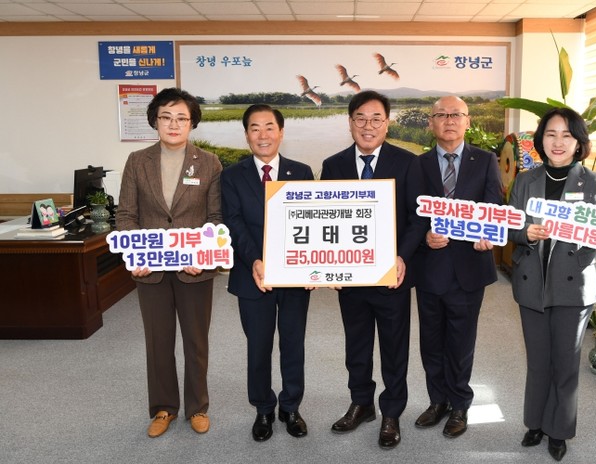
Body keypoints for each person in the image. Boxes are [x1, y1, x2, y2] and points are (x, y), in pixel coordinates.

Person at [320, 90, 426, 449]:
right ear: (350, 123)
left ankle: (391, 412)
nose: (368, 126)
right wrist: (327, 264)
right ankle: (361, 403)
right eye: (360, 119)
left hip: (391, 276)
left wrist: (401, 257)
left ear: (387, 123)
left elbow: (417, 219)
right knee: (357, 345)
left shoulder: (408, 163)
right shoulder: (333, 165)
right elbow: (325, 221)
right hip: (349, 277)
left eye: (376, 119)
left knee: (394, 347)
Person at [116, 87, 222, 438]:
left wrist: (202, 254)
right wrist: (137, 253)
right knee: (157, 341)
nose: (173, 125)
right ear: (155, 121)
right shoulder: (137, 161)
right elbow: (126, 215)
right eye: (166, 117)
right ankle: (163, 408)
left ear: (192, 123)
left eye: (181, 118)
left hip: (195, 270)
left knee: (196, 341)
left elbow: (216, 219)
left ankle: (198, 407)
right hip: (151, 271)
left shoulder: (209, 162)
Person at [507, 107, 596, 461]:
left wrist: (581, 239)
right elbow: (511, 226)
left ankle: (559, 431)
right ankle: (535, 423)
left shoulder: (593, 182)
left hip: (572, 285)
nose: (558, 142)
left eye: (567, 135)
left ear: (579, 142)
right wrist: (526, 233)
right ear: (541, 140)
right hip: (532, 282)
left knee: (565, 363)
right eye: (551, 134)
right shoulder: (525, 180)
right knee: (538, 361)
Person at [221, 104, 314, 442]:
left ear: (281, 132)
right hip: (252, 275)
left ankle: (291, 407)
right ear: (247, 134)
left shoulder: (301, 172)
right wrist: (256, 260)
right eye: (255, 128)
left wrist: (312, 265)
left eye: (269, 127)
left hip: (293, 275)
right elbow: (233, 223)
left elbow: (311, 220)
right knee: (258, 346)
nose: (263, 135)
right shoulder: (232, 175)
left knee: (293, 343)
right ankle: (263, 408)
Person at [414, 96, 502, 438]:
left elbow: (493, 204)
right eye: (441, 115)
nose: (449, 120)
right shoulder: (418, 164)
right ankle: (437, 401)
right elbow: (410, 213)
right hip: (430, 267)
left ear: (467, 121)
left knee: (461, 342)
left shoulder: (486, 160)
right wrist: (425, 236)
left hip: (469, 267)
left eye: (456, 115)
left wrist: (488, 231)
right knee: (431, 341)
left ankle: (460, 404)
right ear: (431, 123)